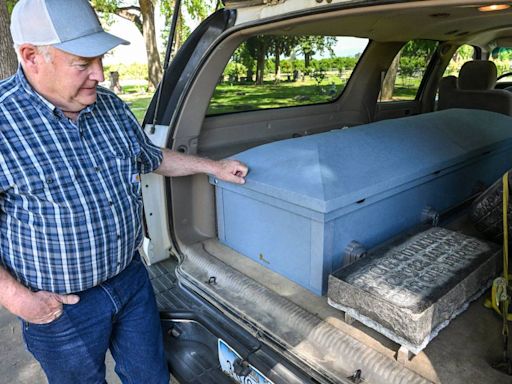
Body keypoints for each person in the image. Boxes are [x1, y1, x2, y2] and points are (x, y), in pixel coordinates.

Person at [0, 0, 248, 383]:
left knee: (151, 377)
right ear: (32, 56)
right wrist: (18, 300)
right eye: (83, 63)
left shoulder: (110, 107)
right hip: (62, 308)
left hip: (130, 281)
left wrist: (215, 167)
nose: (99, 74)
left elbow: (150, 157)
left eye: (99, 59)